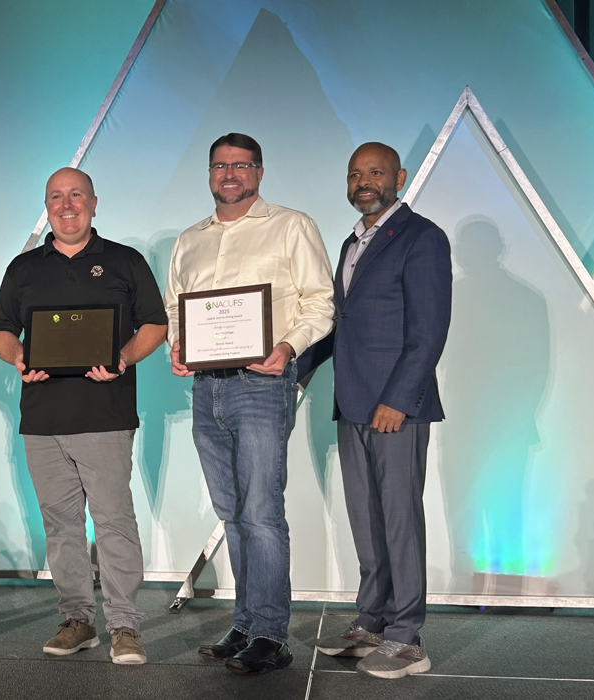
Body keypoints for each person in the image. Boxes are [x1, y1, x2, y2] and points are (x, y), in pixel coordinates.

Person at [165, 133, 334, 675]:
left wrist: (287, 347)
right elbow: (175, 307)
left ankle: (271, 635)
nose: (229, 174)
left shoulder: (292, 225)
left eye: (240, 165)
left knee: (261, 513)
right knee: (233, 514)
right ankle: (245, 622)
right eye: (220, 165)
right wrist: (178, 343)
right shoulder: (190, 239)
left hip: (261, 386)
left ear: (259, 172)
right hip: (206, 388)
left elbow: (321, 303)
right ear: (209, 173)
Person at [0, 167, 167, 665]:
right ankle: (77, 619)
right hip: (42, 418)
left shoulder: (124, 261)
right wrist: (18, 357)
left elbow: (156, 323)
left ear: (93, 202)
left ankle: (126, 626)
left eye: (76, 196)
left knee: (113, 522)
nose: (67, 206)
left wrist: (124, 359)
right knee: (61, 524)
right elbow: (0, 330)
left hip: (106, 415)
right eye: (56, 198)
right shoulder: (24, 268)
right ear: (46, 207)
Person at [311, 142, 451, 679]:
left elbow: (428, 330)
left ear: (400, 176)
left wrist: (398, 398)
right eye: (354, 174)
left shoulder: (422, 238)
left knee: (399, 520)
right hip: (352, 405)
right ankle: (371, 622)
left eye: (374, 172)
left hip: (395, 408)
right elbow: (339, 324)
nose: (363, 182)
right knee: (367, 521)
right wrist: (288, 365)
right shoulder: (352, 242)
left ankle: (406, 636)